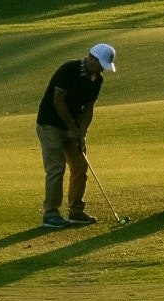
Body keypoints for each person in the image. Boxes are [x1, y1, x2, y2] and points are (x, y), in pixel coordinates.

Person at [37, 41, 117, 229]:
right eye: (100, 65)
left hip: (71, 126)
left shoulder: (97, 79)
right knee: (56, 169)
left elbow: (88, 108)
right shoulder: (69, 69)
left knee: (80, 166)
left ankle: (76, 211)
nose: (101, 71)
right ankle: (51, 214)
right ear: (91, 59)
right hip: (50, 124)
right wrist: (72, 128)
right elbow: (58, 101)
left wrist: (82, 133)